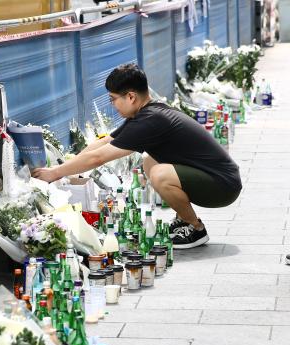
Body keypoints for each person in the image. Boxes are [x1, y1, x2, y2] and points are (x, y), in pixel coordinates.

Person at [32, 64, 242, 249]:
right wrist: (66, 164)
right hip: (217, 178)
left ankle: (196, 229)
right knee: (150, 160)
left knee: (160, 173)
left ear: (131, 96)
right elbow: (104, 142)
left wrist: (55, 173)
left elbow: (99, 158)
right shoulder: (146, 113)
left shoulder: (151, 120)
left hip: (223, 186)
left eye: (113, 99)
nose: (112, 105)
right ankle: (183, 220)